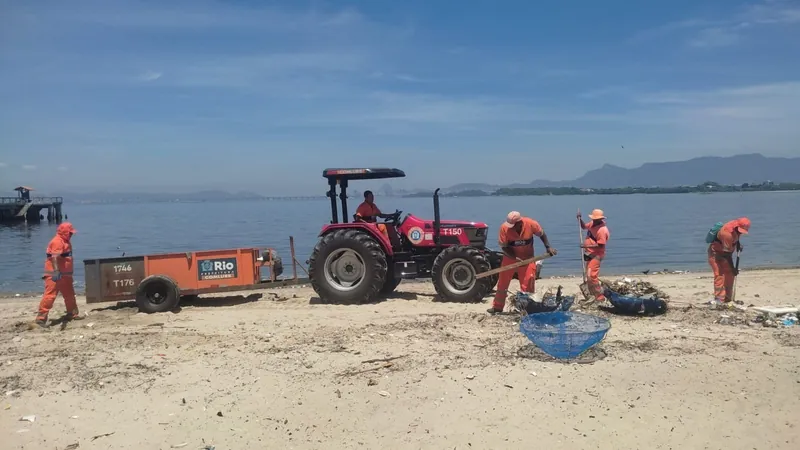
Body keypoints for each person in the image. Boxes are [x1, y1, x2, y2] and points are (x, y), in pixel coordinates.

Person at [488, 211, 557, 314]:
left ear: (520, 223)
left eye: (513, 225)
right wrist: (515, 258)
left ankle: (526, 308)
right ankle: (497, 307)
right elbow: (504, 247)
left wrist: (548, 247)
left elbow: (542, 234)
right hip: (510, 258)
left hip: (528, 258)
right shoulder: (504, 228)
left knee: (528, 283)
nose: (510, 227)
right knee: (503, 283)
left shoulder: (531, 223)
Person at [35, 222, 83, 327]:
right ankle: (41, 318)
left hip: (65, 274)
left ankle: (72, 314)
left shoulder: (65, 241)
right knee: (50, 296)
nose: (71, 235)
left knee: (69, 295)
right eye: (69, 233)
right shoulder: (57, 241)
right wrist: (56, 271)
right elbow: (54, 257)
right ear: (64, 232)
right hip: (55, 274)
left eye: (71, 233)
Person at [708, 217, 750, 304]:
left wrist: (737, 244)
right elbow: (727, 255)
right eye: (740, 230)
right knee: (719, 274)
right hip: (715, 253)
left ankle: (727, 298)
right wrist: (733, 268)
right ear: (737, 226)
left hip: (726, 253)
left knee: (730, 275)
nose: (740, 232)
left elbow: (736, 236)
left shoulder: (736, 226)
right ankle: (719, 299)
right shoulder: (727, 234)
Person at [578, 209, 610, 302]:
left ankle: (599, 296)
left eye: (596, 219)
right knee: (588, 275)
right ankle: (592, 294)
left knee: (591, 275)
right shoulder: (592, 223)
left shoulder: (602, 230)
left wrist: (585, 245)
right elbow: (584, 227)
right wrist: (580, 219)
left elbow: (601, 245)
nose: (594, 220)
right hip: (589, 253)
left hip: (597, 255)